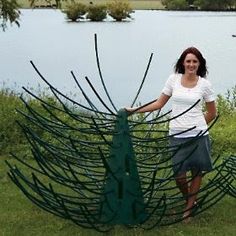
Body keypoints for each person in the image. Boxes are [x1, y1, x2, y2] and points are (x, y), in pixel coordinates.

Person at [126, 47, 217, 222]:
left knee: (197, 172)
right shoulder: (173, 80)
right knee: (179, 175)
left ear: (200, 64)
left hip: (198, 134)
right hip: (176, 133)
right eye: (188, 61)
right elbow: (159, 103)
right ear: (183, 63)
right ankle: (190, 200)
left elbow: (212, 113)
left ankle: (188, 209)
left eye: (195, 61)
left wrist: (196, 126)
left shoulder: (205, 84)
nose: (191, 64)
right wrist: (134, 110)